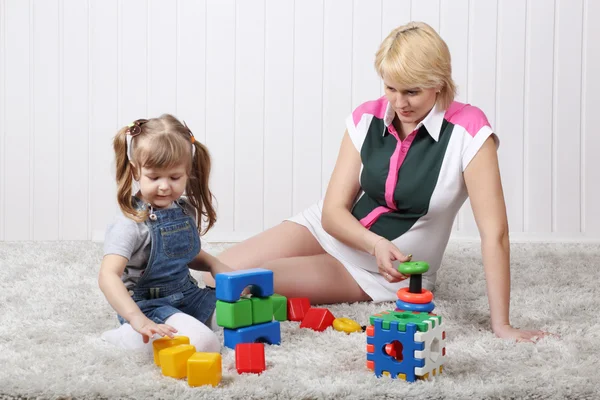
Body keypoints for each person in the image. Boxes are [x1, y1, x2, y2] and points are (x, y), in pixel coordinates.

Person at [205, 22, 549, 342]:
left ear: (439, 82)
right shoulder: (367, 116)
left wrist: (501, 324)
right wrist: (374, 243)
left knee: (243, 281)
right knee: (215, 274)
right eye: (390, 88)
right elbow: (332, 213)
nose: (399, 103)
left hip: (370, 271)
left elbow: (495, 234)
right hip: (336, 230)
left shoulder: (470, 133)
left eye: (412, 91)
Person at [99, 114, 231, 353]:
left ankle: (185, 324)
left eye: (174, 177)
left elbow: (184, 254)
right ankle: (124, 336)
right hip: (149, 306)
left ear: (188, 172)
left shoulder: (183, 209)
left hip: (188, 295)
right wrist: (137, 318)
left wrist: (214, 264)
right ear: (135, 171)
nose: (164, 186)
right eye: (154, 177)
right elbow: (108, 275)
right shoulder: (130, 224)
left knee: (248, 316)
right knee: (205, 344)